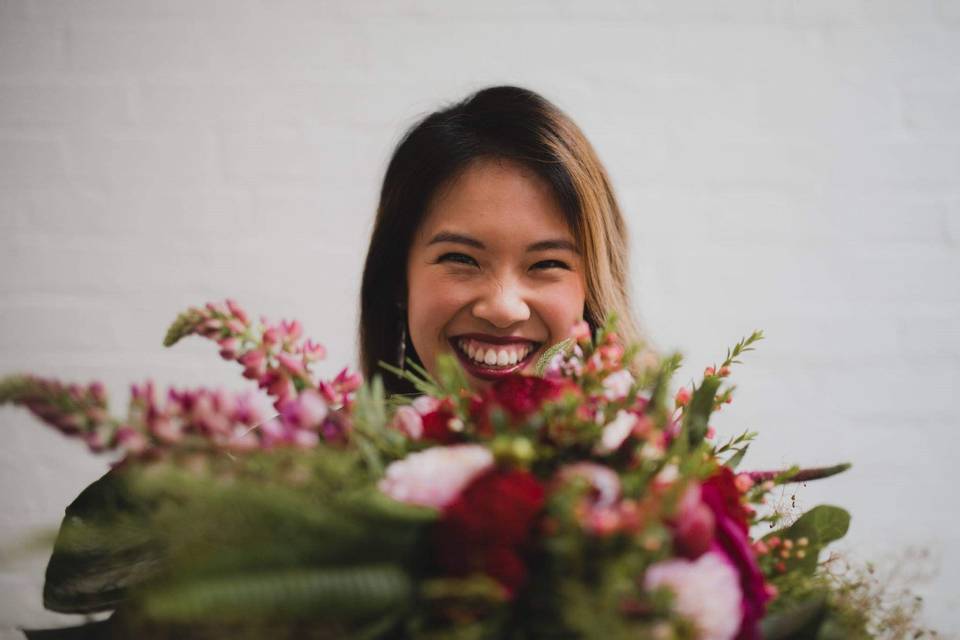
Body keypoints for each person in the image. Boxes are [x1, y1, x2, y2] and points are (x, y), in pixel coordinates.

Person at [360, 86, 640, 396]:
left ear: (593, 291)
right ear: (398, 277)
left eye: (546, 263)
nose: (503, 309)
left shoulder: (663, 444)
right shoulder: (319, 443)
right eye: (461, 259)